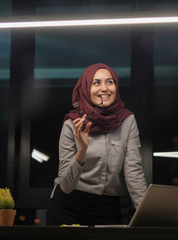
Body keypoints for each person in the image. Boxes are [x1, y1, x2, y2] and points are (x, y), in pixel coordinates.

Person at [46, 63, 147, 226]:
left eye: (110, 82)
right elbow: (65, 185)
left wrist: (147, 217)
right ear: (86, 88)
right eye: (96, 83)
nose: (104, 88)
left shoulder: (127, 121)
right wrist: (82, 149)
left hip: (108, 210)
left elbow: (133, 171)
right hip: (68, 207)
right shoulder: (72, 123)